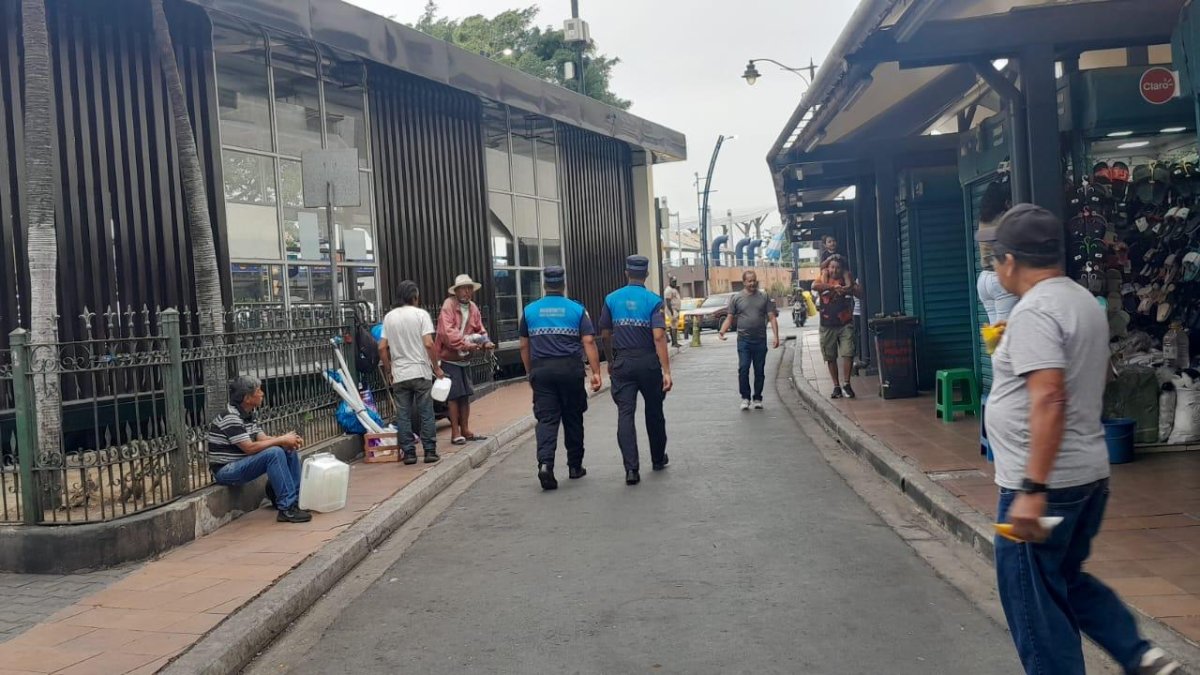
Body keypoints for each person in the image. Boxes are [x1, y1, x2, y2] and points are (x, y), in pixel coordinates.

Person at [982, 204, 1180, 675]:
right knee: (1064, 578)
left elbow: (1049, 397)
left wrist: (1033, 489)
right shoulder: (1078, 302)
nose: (993, 268)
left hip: (1044, 486)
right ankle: (1138, 653)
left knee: (1036, 609)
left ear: (1010, 260)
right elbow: (1093, 377)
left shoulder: (1035, 312)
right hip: (1087, 475)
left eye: (994, 258)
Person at [519, 266, 603, 490]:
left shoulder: (529, 311)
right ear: (563, 284)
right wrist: (596, 372)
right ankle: (575, 466)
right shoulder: (577, 309)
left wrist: (530, 372)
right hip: (570, 370)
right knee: (573, 417)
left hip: (542, 371)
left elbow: (524, 345)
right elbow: (588, 341)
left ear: (545, 284)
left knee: (547, 419)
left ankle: (545, 465)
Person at [599, 255, 673, 485]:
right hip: (648, 362)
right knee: (654, 410)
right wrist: (666, 370)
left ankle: (631, 469)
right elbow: (659, 336)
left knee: (625, 414)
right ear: (647, 275)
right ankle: (658, 458)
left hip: (623, 363)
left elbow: (605, 333)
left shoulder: (611, 299)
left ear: (626, 273)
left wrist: (611, 361)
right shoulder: (653, 300)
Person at [208, 376, 311, 523]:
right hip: (226, 470)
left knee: (288, 449)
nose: (262, 393)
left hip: (242, 463)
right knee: (274, 453)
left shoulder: (248, 414)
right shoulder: (230, 417)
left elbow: (262, 438)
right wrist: (281, 440)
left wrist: (287, 441)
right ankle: (286, 508)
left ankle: (292, 502)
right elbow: (249, 448)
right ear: (247, 398)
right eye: (258, 391)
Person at [379, 280, 443, 465]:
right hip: (420, 370)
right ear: (414, 297)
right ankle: (430, 451)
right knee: (426, 412)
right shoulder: (421, 315)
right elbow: (429, 343)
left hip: (400, 374)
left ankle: (409, 453)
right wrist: (436, 368)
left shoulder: (389, 317)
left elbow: (382, 347)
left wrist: (388, 369)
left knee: (403, 414)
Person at [436, 274, 495, 446]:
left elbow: (480, 328)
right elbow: (448, 334)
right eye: (463, 288)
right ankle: (455, 432)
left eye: (469, 288)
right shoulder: (448, 305)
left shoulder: (473, 307)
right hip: (450, 357)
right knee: (454, 396)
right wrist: (467, 344)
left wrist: (485, 341)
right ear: (456, 291)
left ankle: (465, 429)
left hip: (465, 358)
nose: (467, 291)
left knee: (466, 394)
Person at [719, 270, 780, 410]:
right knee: (743, 368)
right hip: (744, 341)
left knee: (759, 370)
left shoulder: (764, 296)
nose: (752, 283)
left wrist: (776, 336)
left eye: (754, 281)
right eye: (749, 281)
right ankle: (745, 397)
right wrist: (722, 331)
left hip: (760, 340)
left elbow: (771, 317)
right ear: (744, 282)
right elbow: (729, 318)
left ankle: (757, 397)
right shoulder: (736, 298)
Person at [813, 255, 859, 399]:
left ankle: (847, 383)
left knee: (848, 352)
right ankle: (836, 386)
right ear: (828, 268)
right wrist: (833, 287)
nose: (835, 270)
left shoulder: (847, 279)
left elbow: (860, 292)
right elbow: (814, 286)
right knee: (830, 356)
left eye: (837, 267)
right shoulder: (823, 278)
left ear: (842, 269)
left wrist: (849, 288)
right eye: (832, 267)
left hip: (845, 323)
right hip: (827, 325)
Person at [977, 181, 1018, 324]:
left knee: (996, 336)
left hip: (984, 279)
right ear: (1006, 201)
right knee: (1005, 335)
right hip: (999, 279)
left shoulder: (984, 219)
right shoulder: (1005, 219)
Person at [663, 276, 683, 348]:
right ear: (670, 281)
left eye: (675, 281)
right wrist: (672, 313)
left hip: (675, 310)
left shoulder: (674, 289)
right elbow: (668, 303)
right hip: (672, 309)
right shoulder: (668, 290)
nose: (675, 283)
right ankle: (674, 343)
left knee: (674, 326)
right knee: (674, 326)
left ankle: (674, 342)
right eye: (673, 281)